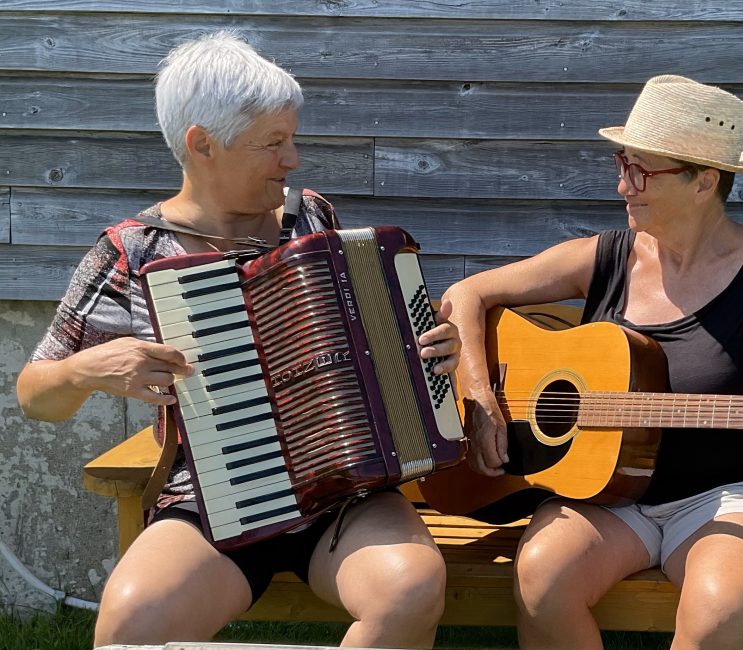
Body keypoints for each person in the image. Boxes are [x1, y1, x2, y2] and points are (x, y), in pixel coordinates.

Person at [16, 32, 459, 649]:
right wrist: (87, 369)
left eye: (291, 138)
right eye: (272, 143)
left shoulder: (311, 220)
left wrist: (427, 350)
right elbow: (35, 394)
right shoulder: (133, 252)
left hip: (344, 492)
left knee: (409, 588)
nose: (292, 159)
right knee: (129, 627)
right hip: (210, 504)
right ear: (202, 144)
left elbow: (369, 353)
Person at [442, 74, 743, 650]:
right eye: (622, 164)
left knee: (717, 614)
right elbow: (468, 294)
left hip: (724, 498)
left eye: (641, 171)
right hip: (603, 498)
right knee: (543, 579)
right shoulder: (605, 257)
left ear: (704, 181)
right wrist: (480, 400)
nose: (623, 185)